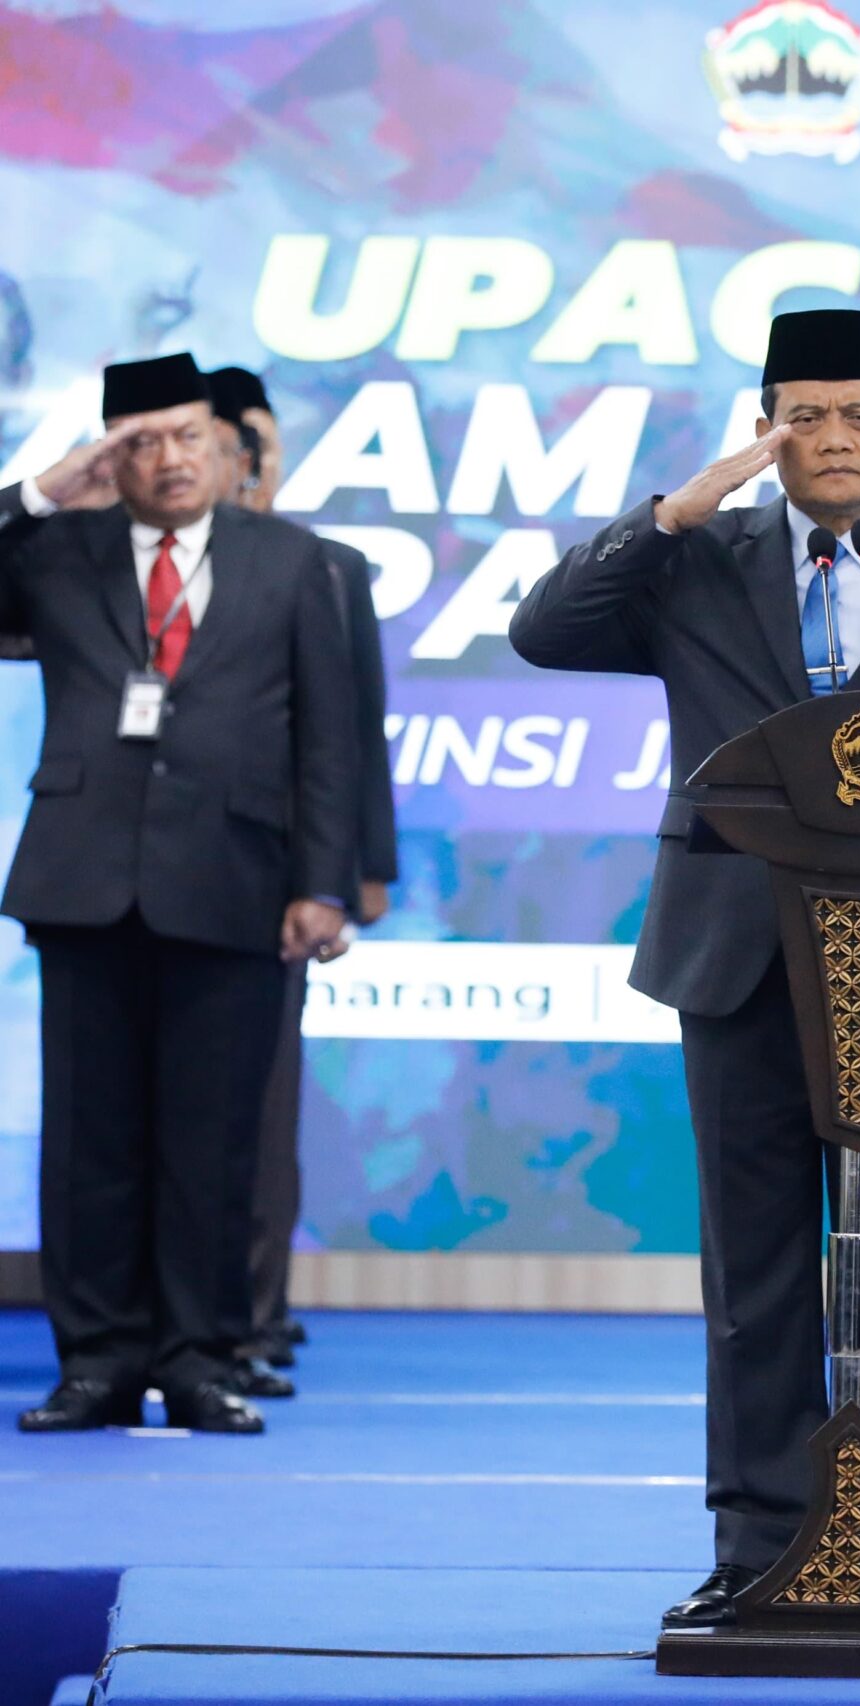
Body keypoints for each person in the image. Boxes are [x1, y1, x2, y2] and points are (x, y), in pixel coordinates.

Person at [508, 307, 860, 1632]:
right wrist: (671, 513)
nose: (834, 438)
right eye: (804, 416)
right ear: (765, 429)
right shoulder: (696, 562)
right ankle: (753, 1543)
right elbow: (541, 630)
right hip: (736, 955)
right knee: (752, 1265)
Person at [3, 353, 358, 1437]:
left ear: (222, 443)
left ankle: (201, 1360)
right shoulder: (57, 551)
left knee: (212, 1144)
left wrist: (323, 883)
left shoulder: (293, 560)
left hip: (235, 882)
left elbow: (329, 736)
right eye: (142, 441)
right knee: (89, 1144)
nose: (170, 458)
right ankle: (97, 1363)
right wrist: (40, 490)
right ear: (111, 455)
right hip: (84, 881)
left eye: (188, 435)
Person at [209, 366, 400, 1376]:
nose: (256, 469)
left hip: (282, 874)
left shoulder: (324, 565)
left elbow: (353, 728)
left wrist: (361, 868)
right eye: (237, 448)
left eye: (266, 449)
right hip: (162, 868)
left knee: (262, 1104)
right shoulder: (132, 563)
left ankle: (252, 1310)